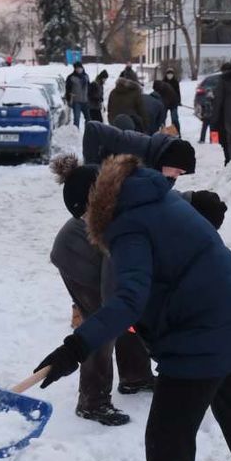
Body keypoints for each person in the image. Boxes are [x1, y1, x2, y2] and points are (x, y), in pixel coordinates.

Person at [34, 154, 231, 461]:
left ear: (91, 207)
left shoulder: (127, 226)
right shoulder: (151, 195)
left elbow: (127, 300)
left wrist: (76, 347)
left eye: (83, 218)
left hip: (203, 334)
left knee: (167, 436)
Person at [48, 156, 158, 426]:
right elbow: (114, 292)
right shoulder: (117, 225)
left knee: (126, 315)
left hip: (94, 253)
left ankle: (135, 376)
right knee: (103, 323)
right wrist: (116, 313)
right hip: (76, 258)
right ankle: (92, 401)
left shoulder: (132, 206)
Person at [81, 121, 228, 229]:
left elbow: (162, 198)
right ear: (169, 160)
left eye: (181, 174)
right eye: (178, 171)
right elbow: (92, 128)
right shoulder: (136, 144)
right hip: (96, 196)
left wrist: (193, 200)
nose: (176, 176)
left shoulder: (166, 176)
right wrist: (93, 174)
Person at [153, 69, 183, 134]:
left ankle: (177, 132)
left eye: (171, 74)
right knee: (162, 118)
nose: (170, 76)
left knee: (174, 118)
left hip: (173, 103)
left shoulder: (175, 82)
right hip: (164, 103)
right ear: (166, 75)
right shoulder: (163, 82)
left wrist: (179, 101)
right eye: (168, 74)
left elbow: (178, 92)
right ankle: (162, 133)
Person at [64, 62, 91, 128]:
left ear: (82, 68)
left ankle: (88, 131)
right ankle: (75, 133)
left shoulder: (86, 76)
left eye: (80, 68)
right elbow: (67, 89)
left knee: (88, 118)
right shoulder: (71, 77)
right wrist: (68, 99)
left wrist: (89, 98)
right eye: (77, 68)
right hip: (76, 101)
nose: (79, 70)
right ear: (75, 69)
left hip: (85, 101)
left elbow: (89, 88)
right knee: (76, 119)